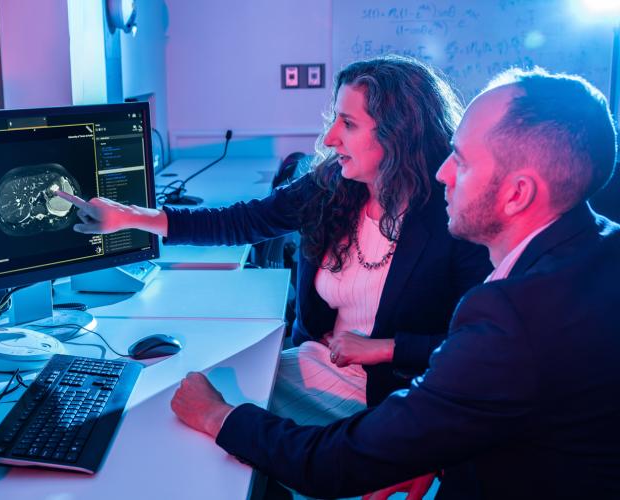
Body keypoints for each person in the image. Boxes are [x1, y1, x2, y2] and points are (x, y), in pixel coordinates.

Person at [169, 68, 620, 498]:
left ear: (518, 193)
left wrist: (218, 416)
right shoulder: (602, 248)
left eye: (460, 161)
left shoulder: (511, 320)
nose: (443, 172)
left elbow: (337, 463)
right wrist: (439, 445)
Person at [61, 55, 491, 424]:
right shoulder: (334, 185)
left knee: (190, 408)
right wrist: (132, 218)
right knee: (185, 391)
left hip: (392, 395)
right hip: (321, 364)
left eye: (349, 124)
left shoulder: (453, 216)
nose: (329, 138)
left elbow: (481, 346)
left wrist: (384, 349)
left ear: (398, 134)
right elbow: (243, 221)